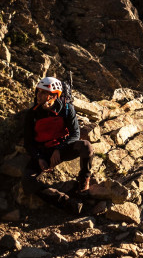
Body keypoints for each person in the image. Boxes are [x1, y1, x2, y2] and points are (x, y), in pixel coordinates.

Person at [21, 76, 93, 214]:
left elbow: (75, 134)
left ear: (53, 96)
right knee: (27, 182)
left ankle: (83, 185)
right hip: (43, 151)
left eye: (43, 92)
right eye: (38, 92)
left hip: (62, 147)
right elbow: (28, 142)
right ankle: (66, 202)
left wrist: (59, 150)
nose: (38, 95)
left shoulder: (66, 109)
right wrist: (39, 158)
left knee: (86, 146)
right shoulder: (32, 114)